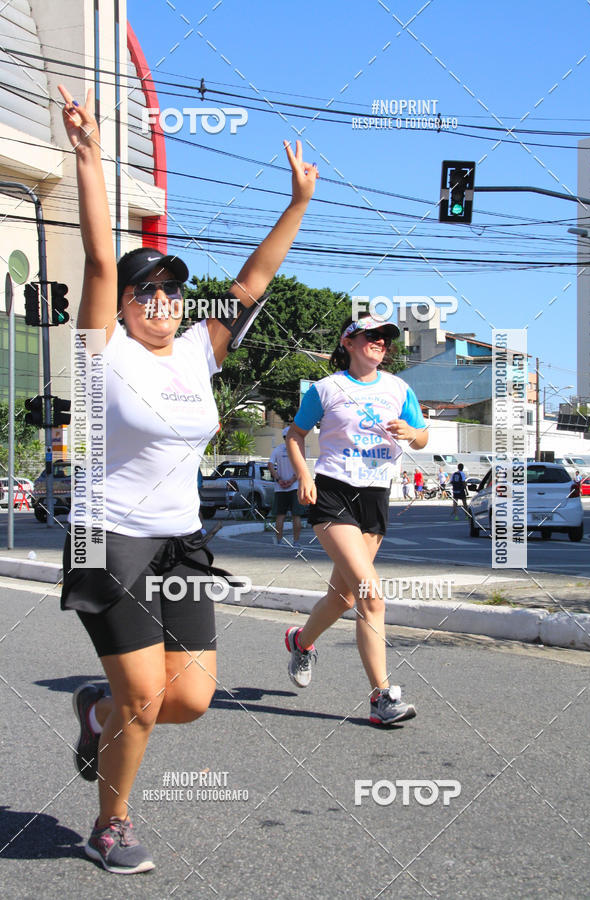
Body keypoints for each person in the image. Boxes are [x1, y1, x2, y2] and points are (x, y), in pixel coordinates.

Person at [57, 84, 317, 874]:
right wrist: (91, 157)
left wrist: (297, 202)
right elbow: (103, 256)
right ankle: (112, 823)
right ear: (126, 306)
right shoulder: (103, 351)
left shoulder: (200, 351)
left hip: (178, 544)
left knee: (191, 700)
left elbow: (250, 285)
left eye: (173, 291)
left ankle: (96, 713)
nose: (163, 302)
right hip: (111, 539)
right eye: (148, 292)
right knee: (143, 698)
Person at [285, 315, 428, 725]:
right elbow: (294, 435)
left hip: (375, 498)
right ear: (348, 342)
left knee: (344, 597)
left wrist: (410, 432)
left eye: (386, 338)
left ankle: (301, 640)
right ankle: (382, 698)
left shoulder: (400, 389)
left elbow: (422, 436)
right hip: (332, 494)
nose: (381, 342)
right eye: (372, 336)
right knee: (371, 595)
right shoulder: (326, 388)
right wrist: (304, 475)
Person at [268, 426, 305, 546]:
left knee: (280, 515)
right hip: (294, 487)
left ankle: (278, 540)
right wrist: (292, 480)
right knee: (296, 515)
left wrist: (279, 479)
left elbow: (270, 465)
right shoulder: (298, 449)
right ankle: (296, 541)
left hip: (280, 488)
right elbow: (301, 467)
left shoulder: (277, 450)